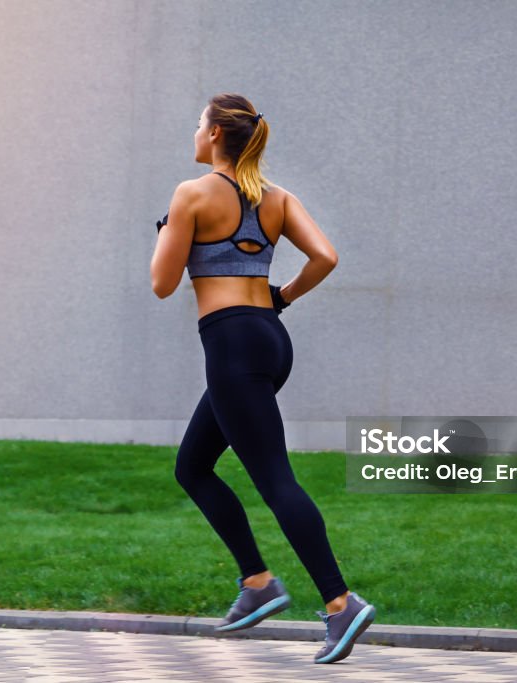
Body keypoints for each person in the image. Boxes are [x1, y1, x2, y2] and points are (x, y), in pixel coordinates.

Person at [150, 92, 376, 664]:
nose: (194, 132)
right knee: (193, 466)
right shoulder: (276, 198)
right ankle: (257, 583)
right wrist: (281, 298)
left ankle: (340, 602)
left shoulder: (191, 194)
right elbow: (324, 256)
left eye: (199, 124)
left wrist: (168, 230)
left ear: (217, 135)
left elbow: (162, 282)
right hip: (270, 340)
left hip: (230, 343)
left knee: (276, 480)